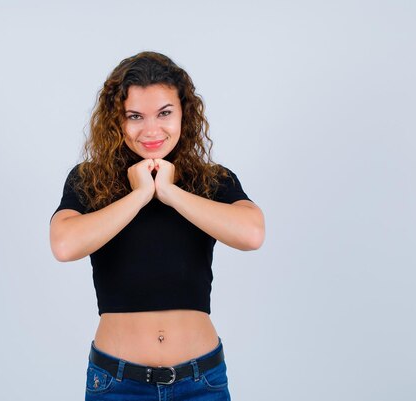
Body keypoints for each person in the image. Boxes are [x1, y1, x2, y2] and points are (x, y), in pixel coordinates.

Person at [50, 51, 265, 401]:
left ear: (184, 114)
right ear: (117, 122)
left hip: (202, 381)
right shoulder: (90, 181)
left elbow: (252, 233)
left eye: (164, 113)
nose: (151, 130)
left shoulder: (211, 181)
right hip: (117, 383)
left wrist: (169, 192)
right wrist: (139, 195)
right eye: (135, 116)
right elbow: (64, 244)